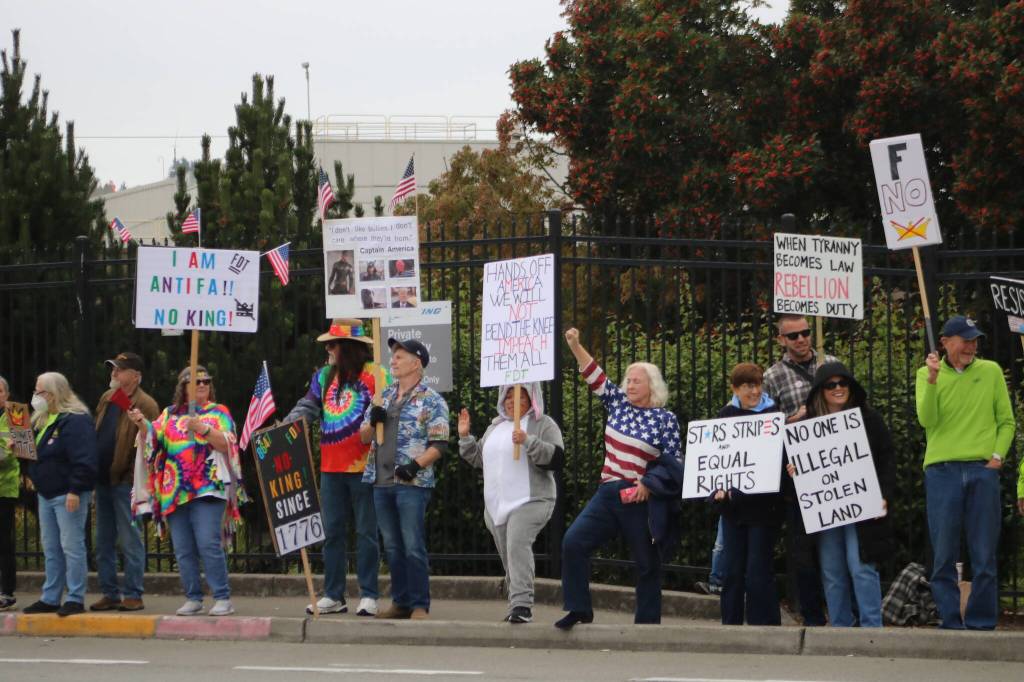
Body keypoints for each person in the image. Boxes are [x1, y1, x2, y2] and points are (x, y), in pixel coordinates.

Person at [556, 328, 683, 629]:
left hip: (639, 497)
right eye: (628, 379)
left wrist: (648, 485)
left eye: (636, 380)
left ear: (652, 386)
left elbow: (676, 462)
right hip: (608, 493)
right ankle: (578, 609)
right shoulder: (618, 403)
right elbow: (594, 375)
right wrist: (575, 344)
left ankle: (647, 624)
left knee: (647, 563)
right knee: (573, 542)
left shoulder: (665, 419)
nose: (630, 384)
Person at [916, 315, 1014, 630]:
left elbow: (1007, 421)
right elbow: (927, 420)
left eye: (974, 340)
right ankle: (950, 620)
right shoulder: (925, 374)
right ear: (945, 342)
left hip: (981, 469)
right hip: (942, 471)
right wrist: (932, 380)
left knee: (984, 552)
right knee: (943, 553)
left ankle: (982, 622)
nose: (972, 346)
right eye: (965, 339)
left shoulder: (991, 371)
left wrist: (997, 457)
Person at [129, 366, 246, 617]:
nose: (202, 384)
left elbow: (228, 444)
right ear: (183, 387)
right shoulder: (169, 414)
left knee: (208, 544)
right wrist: (141, 424)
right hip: (175, 491)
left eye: (206, 381)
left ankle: (222, 597)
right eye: (195, 381)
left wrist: (203, 428)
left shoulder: (218, 412)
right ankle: (193, 597)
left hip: (208, 489)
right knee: (183, 548)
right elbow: (153, 440)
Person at [286, 319, 385, 616]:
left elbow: (392, 407)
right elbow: (307, 408)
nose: (327, 349)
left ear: (348, 348)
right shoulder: (324, 376)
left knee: (367, 532)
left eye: (332, 344)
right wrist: (284, 428)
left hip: (366, 467)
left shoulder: (377, 374)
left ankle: (369, 595)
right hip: (330, 468)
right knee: (332, 532)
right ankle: (334, 594)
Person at [799, 362, 895, 628]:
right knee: (832, 572)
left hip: (863, 506)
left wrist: (884, 494)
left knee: (861, 567)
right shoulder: (807, 426)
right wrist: (795, 468)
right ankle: (840, 629)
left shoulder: (868, 418)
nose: (838, 388)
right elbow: (797, 470)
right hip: (827, 510)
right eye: (831, 384)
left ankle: (872, 628)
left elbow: (887, 457)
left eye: (843, 383)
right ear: (821, 390)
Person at [458, 383, 563, 624]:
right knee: (509, 555)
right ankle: (516, 602)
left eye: (520, 395)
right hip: (495, 505)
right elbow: (478, 459)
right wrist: (465, 437)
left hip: (531, 499)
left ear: (532, 398)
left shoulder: (543, 423)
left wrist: (529, 441)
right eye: (508, 395)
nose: (512, 401)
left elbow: (556, 458)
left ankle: (522, 606)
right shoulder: (495, 427)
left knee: (517, 544)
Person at [360, 338, 449, 620]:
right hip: (381, 482)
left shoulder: (431, 400)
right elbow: (363, 437)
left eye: (400, 356)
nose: (393, 360)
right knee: (393, 546)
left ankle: (420, 604)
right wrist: (373, 421)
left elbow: (440, 443)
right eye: (393, 356)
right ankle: (401, 602)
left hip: (412, 485)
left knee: (412, 545)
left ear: (417, 363)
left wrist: (414, 465)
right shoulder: (382, 396)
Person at [763, 314, 836, 626]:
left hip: (837, 464)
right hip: (798, 472)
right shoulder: (773, 376)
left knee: (836, 545)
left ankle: (843, 610)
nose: (802, 339)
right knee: (803, 547)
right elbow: (764, 427)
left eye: (805, 333)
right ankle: (811, 613)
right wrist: (793, 419)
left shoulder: (830, 363)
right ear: (781, 340)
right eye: (793, 336)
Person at [711, 363, 783, 626]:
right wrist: (716, 491)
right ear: (735, 389)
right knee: (731, 571)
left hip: (763, 509)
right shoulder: (725, 414)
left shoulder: (773, 414)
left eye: (757, 384)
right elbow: (717, 458)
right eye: (747, 386)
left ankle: (763, 628)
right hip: (733, 509)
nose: (754, 391)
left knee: (757, 572)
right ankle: (730, 627)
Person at [90, 352, 160, 612]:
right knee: (103, 541)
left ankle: (133, 593)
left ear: (135, 376)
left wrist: (132, 473)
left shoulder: (146, 403)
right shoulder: (108, 398)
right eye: (113, 369)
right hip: (103, 479)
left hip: (126, 482)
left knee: (130, 540)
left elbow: (152, 440)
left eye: (119, 369)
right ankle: (110, 592)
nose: (114, 373)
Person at [22, 372, 96, 616]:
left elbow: (83, 459)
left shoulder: (75, 420)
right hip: (46, 493)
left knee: (71, 546)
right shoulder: (43, 418)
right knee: (51, 547)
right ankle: (50, 596)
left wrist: (75, 489)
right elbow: (39, 454)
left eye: (40, 391)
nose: (36, 396)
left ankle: (75, 597)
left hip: (67, 493)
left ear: (54, 394)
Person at [0, 375, 20, 611]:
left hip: (5, 487)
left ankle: (7, 591)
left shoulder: (15, 415)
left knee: (5, 542)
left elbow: (21, 451)